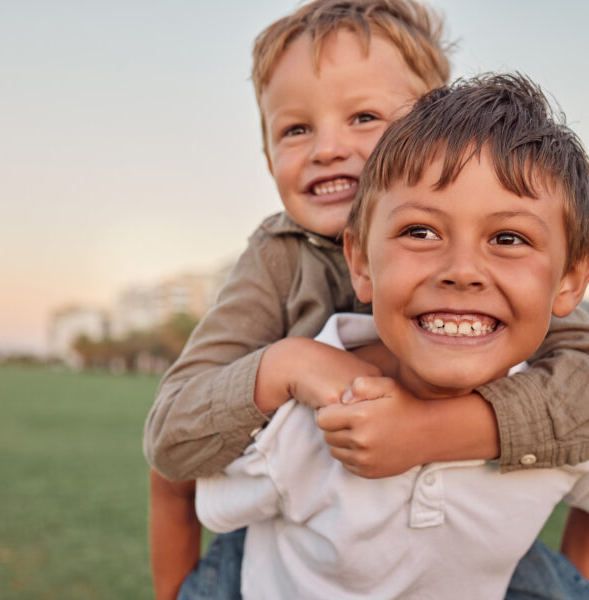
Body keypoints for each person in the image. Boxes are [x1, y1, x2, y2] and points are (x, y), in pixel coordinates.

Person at [143, 1, 589, 598]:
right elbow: (172, 439)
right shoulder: (278, 259)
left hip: (461, 527)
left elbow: (580, 383)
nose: (327, 148)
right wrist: (292, 364)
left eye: (364, 117)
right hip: (302, 535)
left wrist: (432, 431)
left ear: (437, 123)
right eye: (296, 128)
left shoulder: (501, 260)